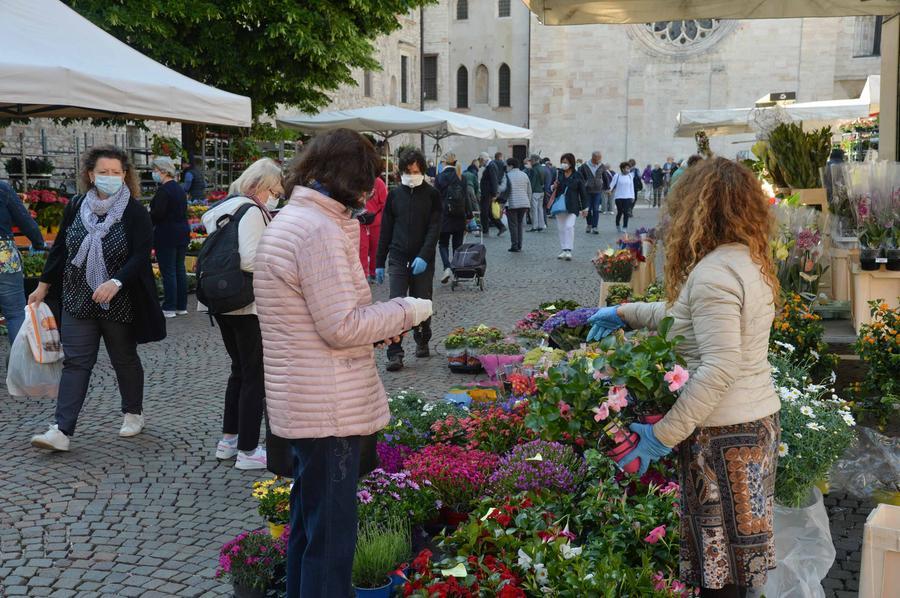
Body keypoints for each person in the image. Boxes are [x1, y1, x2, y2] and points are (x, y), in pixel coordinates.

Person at [586, 157, 781, 598]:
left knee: (722, 573)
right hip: (751, 424)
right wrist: (623, 312)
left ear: (699, 208)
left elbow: (718, 366)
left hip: (724, 434)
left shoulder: (714, 273)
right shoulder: (743, 260)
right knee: (734, 563)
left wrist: (661, 436)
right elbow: (683, 318)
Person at [253, 128, 433, 598]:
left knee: (311, 527)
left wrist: (375, 327)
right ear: (348, 178)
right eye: (366, 183)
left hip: (309, 398)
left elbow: (320, 322)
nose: (368, 193)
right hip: (327, 407)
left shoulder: (297, 219)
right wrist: (408, 309)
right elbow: (342, 326)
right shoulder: (315, 230)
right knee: (331, 539)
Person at [29, 146, 165, 452]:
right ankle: (61, 430)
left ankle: (133, 411)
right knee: (76, 362)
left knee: (123, 359)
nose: (110, 177)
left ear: (126, 176)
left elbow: (141, 256)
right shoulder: (77, 205)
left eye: (116, 173)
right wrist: (43, 285)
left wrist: (116, 281)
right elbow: (62, 247)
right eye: (104, 172)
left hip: (119, 299)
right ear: (91, 175)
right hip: (78, 297)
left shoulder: (135, 212)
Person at [201, 158, 284, 470]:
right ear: (261, 186)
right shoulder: (251, 210)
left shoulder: (223, 208)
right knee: (254, 376)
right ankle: (248, 450)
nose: (276, 197)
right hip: (248, 303)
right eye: (275, 190)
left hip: (221, 300)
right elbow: (250, 260)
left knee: (239, 370)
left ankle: (229, 440)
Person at [375, 149, 442, 372]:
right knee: (396, 304)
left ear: (421, 170)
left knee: (423, 302)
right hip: (398, 256)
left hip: (422, 258)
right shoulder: (395, 195)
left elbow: (434, 229)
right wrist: (378, 262)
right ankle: (395, 353)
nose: (411, 175)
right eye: (407, 171)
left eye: (415, 171)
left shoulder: (432, 195)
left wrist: (424, 255)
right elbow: (385, 230)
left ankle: (423, 338)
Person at [0, 180, 46, 344]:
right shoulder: (2, 188)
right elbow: (24, 219)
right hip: (4, 257)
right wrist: (38, 242)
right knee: (15, 314)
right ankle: (18, 365)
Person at [148, 156, 189, 319]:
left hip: (167, 234)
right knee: (179, 269)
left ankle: (169, 306)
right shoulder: (178, 188)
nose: (153, 173)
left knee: (169, 271)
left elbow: (158, 213)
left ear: (163, 171)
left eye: (155, 170)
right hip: (181, 232)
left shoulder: (164, 190)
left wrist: (148, 215)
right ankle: (181, 305)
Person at [434, 152, 472, 283]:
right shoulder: (462, 176)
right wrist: (469, 215)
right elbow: (467, 198)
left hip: (444, 216)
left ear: (444, 163)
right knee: (458, 245)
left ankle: (447, 267)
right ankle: (456, 271)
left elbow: (435, 200)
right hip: (459, 216)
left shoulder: (439, 177)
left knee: (443, 244)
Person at [550, 153, 587, 261]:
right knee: (561, 228)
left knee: (569, 226)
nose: (563, 164)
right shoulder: (558, 174)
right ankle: (563, 249)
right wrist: (553, 186)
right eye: (562, 162)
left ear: (571, 163)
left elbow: (583, 192)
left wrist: (585, 208)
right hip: (560, 205)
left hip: (573, 205)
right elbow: (551, 187)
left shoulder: (577, 175)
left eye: (566, 162)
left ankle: (569, 250)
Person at [497, 158, 532, 252]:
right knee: (520, 224)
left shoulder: (507, 176)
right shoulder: (524, 175)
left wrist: (501, 203)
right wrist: (528, 202)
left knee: (513, 225)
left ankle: (514, 245)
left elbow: (503, 191)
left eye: (507, 165)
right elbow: (529, 191)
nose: (506, 167)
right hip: (524, 203)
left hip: (512, 203)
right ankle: (519, 244)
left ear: (511, 166)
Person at [357, 176, 388, 283]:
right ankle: (364, 274)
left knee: (376, 249)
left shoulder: (378, 182)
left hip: (376, 222)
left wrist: (383, 220)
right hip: (360, 222)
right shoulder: (355, 179)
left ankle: (373, 272)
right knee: (362, 248)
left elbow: (384, 203)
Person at [578, 151, 607, 234]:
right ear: (593, 158)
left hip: (597, 190)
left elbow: (605, 177)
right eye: (598, 158)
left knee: (596, 209)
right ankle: (589, 224)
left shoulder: (601, 166)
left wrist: (606, 187)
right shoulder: (584, 166)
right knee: (588, 209)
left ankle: (595, 227)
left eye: (600, 158)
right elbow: (580, 177)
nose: (600, 160)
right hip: (587, 191)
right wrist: (583, 185)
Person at [477, 152, 506, 236]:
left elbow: (494, 181)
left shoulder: (491, 166)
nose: (480, 163)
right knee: (488, 212)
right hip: (488, 193)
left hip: (488, 193)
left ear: (483, 159)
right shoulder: (490, 165)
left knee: (484, 212)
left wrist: (494, 194)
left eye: (480, 160)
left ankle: (485, 231)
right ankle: (501, 227)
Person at [609, 162, 636, 234]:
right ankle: (618, 224)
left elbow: (631, 187)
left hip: (627, 197)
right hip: (619, 197)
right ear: (622, 169)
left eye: (629, 168)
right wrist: (609, 190)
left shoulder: (630, 176)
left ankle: (625, 227)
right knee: (620, 212)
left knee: (626, 213)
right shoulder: (617, 176)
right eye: (627, 168)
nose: (628, 170)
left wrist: (633, 196)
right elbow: (612, 184)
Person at [525, 154, 546, 232]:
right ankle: (541, 225)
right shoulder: (542, 168)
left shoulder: (534, 169)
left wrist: (529, 191)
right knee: (540, 209)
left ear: (533, 160)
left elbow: (532, 182)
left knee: (534, 210)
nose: (530, 162)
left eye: (530, 160)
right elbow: (543, 180)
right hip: (541, 190)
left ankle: (535, 226)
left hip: (534, 191)